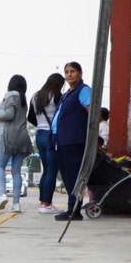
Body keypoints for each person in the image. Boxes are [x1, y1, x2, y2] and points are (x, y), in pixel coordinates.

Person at [51, 61, 92, 221]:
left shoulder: (83, 90)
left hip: (74, 140)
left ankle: (74, 209)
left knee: (73, 176)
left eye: (72, 71)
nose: (69, 74)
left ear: (80, 73)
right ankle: (72, 208)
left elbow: (91, 113)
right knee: (67, 176)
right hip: (61, 140)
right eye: (66, 72)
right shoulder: (67, 93)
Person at [0, 75, 30, 212]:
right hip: (23, 136)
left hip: (8, 136)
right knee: (16, 171)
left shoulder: (10, 95)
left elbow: (9, 115)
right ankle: (16, 204)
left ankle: (2, 194)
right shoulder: (23, 99)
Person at [28, 73, 64, 214]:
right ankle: (46, 204)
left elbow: (30, 117)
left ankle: (43, 202)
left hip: (39, 135)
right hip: (52, 135)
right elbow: (63, 115)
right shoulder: (57, 95)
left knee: (46, 168)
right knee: (52, 170)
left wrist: (41, 124)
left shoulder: (35, 96)